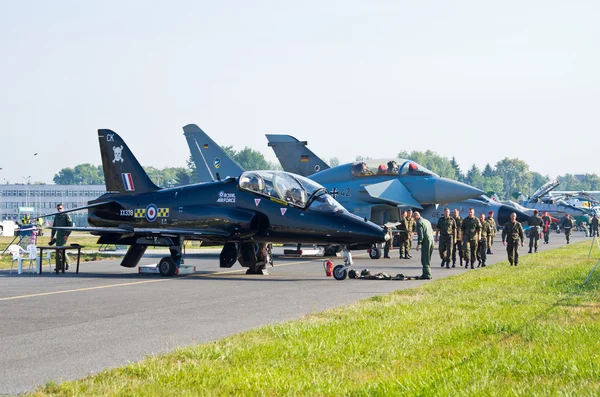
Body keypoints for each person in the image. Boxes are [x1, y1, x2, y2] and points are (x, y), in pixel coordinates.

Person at [50, 203, 73, 270]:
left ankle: (68, 262)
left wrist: (67, 235)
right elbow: (54, 227)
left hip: (64, 235)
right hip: (58, 235)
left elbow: (70, 226)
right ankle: (59, 266)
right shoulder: (57, 216)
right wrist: (52, 236)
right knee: (57, 250)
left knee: (61, 249)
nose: (59, 210)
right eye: (58, 208)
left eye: (60, 208)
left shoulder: (66, 216)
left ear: (63, 208)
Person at [413, 211, 433, 279]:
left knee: (425, 258)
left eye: (414, 217)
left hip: (426, 241)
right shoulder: (427, 221)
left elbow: (421, 235)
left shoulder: (419, 223)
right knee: (428, 258)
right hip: (431, 240)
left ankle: (427, 274)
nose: (413, 219)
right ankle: (427, 272)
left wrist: (418, 244)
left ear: (416, 216)